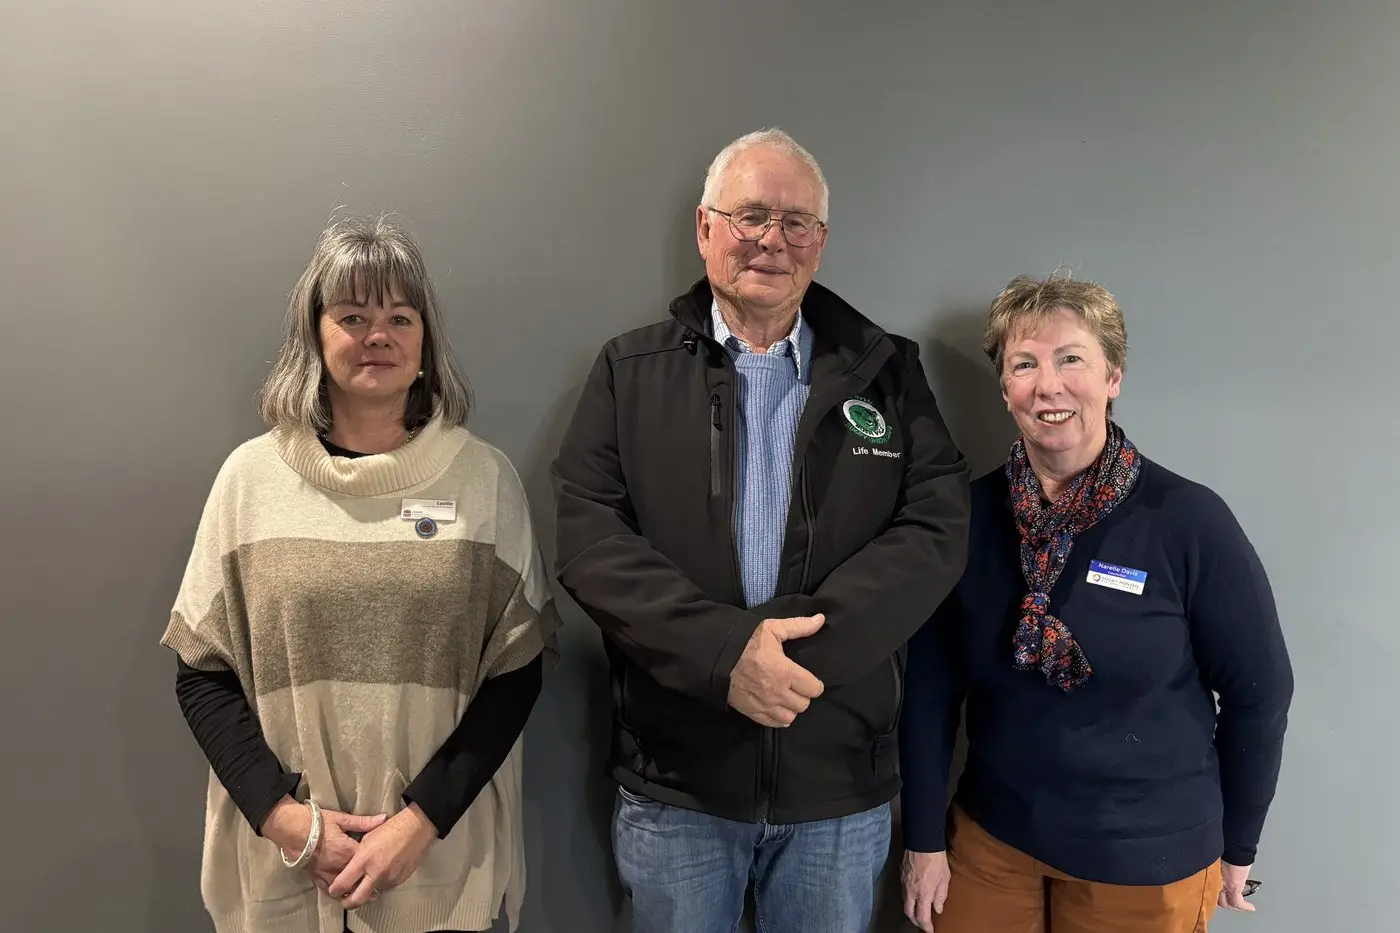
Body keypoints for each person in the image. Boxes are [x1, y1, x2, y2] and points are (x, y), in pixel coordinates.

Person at [551, 128, 971, 933]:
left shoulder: (890, 372)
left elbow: (937, 527)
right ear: (706, 228)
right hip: (680, 784)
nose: (771, 240)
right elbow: (589, 536)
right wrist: (723, 655)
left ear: (821, 242)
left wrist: (789, 659)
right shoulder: (627, 372)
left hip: (836, 792)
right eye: (750, 216)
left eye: (796, 222)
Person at [161, 215, 554, 933]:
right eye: (352, 315)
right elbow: (202, 673)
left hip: (436, 864)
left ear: (425, 342)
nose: (378, 334)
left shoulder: (483, 480)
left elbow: (517, 672)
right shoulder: (249, 481)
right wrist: (289, 824)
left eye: (400, 316)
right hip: (283, 870)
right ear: (313, 335)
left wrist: (419, 821)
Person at [898, 272, 1294, 933]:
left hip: (1148, 856)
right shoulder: (966, 517)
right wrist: (924, 839)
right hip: (994, 838)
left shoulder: (1187, 519)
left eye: (1070, 358)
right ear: (1005, 389)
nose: (1047, 384)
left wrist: (1240, 840)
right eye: (1024, 364)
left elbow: (1261, 690)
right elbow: (931, 689)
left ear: (1114, 376)